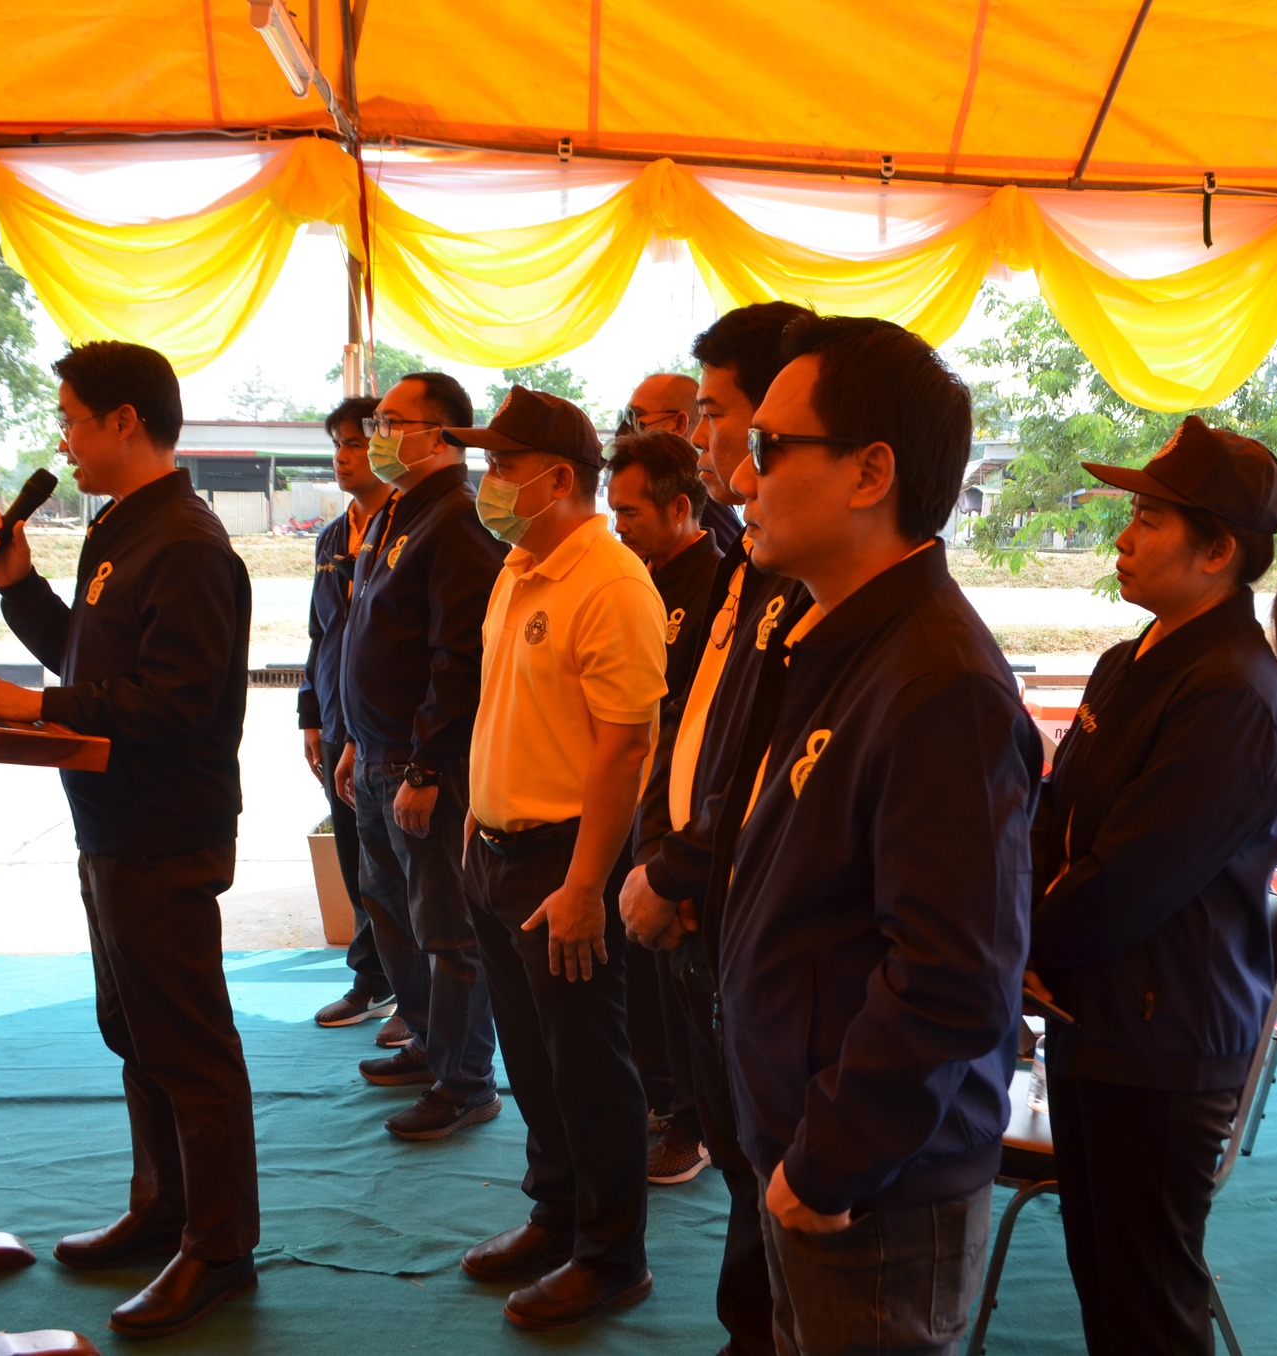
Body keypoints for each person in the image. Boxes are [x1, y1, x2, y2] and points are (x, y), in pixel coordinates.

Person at [711, 315, 1034, 1356]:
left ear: (869, 473)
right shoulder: (847, 641)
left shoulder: (938, 683)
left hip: (874, 1186)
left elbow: (952, 978)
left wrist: (827, 1162)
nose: (740, 479)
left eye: (768, 448)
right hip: (819, 1146)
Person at [0, 341, 259, 1339]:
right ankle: (163, 1207)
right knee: (136, 1031)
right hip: (112, 824)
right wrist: (19, 587)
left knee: (187, 1043)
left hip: (164, 829)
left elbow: (173, 705)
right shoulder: (120, 529)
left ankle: (218, 1248)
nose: (63, 441)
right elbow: (88, 662)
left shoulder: (188, 545)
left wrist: (35, 708)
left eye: (73, 420)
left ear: (125, 421)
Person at [1025, 416, 1277, 1355]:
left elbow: (1130, 879)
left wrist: (1021, 945)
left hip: (1162, 1041)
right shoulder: (1133, 660)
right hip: (1095, 1012)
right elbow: (1055, 815)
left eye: (1148, 520)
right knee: (1105, 1279)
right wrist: (1025, 928)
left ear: (1217, 551)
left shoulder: (1233, 690)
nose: (1122, 537)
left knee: (1147, 1302)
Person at [449, 386, 667, 1331]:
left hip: (565, 860)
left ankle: (612, 1256)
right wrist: (478, 815)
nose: (488, 480)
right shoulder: (518, 566)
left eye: (502, 465)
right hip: (496, 851)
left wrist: (585, 884)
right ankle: (557, 1214)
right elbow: (508, 704)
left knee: (587, 1063)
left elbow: (626, 746)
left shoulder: (611, 582)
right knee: (533, 1059)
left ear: (559, 479)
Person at [616, 298, 808, 1356]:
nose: (701, 438)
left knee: (768, 1175)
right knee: (740, 1163)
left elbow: (768, 776)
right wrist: (662, 852)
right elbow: (687, 730)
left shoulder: (810, 589)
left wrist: (683, 870)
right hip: (700, 909)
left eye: (715, 412)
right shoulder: (751, 561)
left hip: (736, 921)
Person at [330, 371, 505, 1140]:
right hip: (375, 754)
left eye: (392, 422)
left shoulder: (457, 518)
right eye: (377, 422)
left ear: (442, 434)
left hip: (419, 764)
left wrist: (428, 767)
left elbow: (455, 659)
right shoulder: (396, 512)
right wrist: (355, 739)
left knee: (446, 929)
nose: (377, 436)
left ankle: (466, 1081)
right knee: (391, 914)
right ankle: (430, 1044)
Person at [604, 429, 723, 1186]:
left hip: (683, 821)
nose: (619, 526)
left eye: (632, 513)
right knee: (642, 978)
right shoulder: (632, 578)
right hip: (634, 804)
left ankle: (694, 1122)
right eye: (613, 511)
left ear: (680, 507)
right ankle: (659, 1096)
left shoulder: (717, 584)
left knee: (685, 987)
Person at [300, 395, 405, 1046]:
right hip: (340, 727)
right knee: (357, 864)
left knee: (403, 874)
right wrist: (311, 715)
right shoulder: (332, 536)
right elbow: (320, 634)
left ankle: (420, 1000)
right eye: (336, 444)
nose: (343, 456)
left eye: (357, 443)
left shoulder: (408, 530)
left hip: (392, 734)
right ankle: (373, 978)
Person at [622, 371, 742, 555]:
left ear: (679, 424)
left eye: (639, 416)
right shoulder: (663, 483)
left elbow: (731, 561)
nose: (629, 428)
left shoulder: (699, 489)